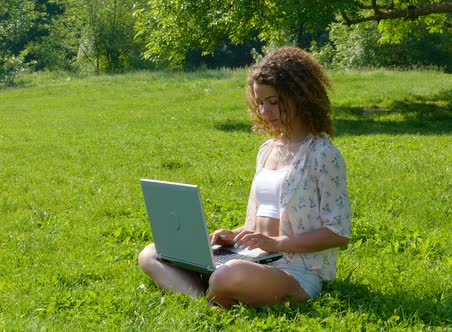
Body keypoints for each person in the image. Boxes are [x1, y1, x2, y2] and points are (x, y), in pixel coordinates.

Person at [138, 46, 352, 309]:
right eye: (260, 103)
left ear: (301, 97)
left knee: (229, 275)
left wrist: (276, 243)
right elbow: (259, 223)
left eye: (274, 102)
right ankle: (204, 302)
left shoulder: (322, 154)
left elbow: (338, 233)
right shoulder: (267, 150)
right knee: (151, 253)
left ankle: (210, 288)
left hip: (295, 271)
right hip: (251, 259)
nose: (265, 112)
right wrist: (235, 236)